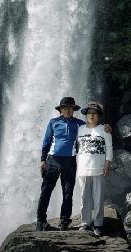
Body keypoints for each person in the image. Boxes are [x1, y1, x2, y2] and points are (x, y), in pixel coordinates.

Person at [36, 97, 112, 232]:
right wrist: (42, 160)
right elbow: (46, 142)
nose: (67, 110)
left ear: (74, 110)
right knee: (45, 191)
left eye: (70, 108)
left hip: (70, 162)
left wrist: (107, 127)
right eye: (64, 107)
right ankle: (41, 221)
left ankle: (64, 221)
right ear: (60, 110)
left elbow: (93, 128)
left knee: (67, 193)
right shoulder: (53, 123)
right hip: (52, 160)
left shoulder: (80, 125)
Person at [76, 101, 113, 236]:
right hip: (82, 169)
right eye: (89, 113)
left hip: (99, 168)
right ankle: (85, 223)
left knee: (98, 198)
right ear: (86, 115)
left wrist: (107, 164)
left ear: (99, 116)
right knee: (84, 197)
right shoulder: (80, 129)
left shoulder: (104, 129)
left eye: (95, 113)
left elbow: (109, 148)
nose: (92, 115)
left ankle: (98, 224)